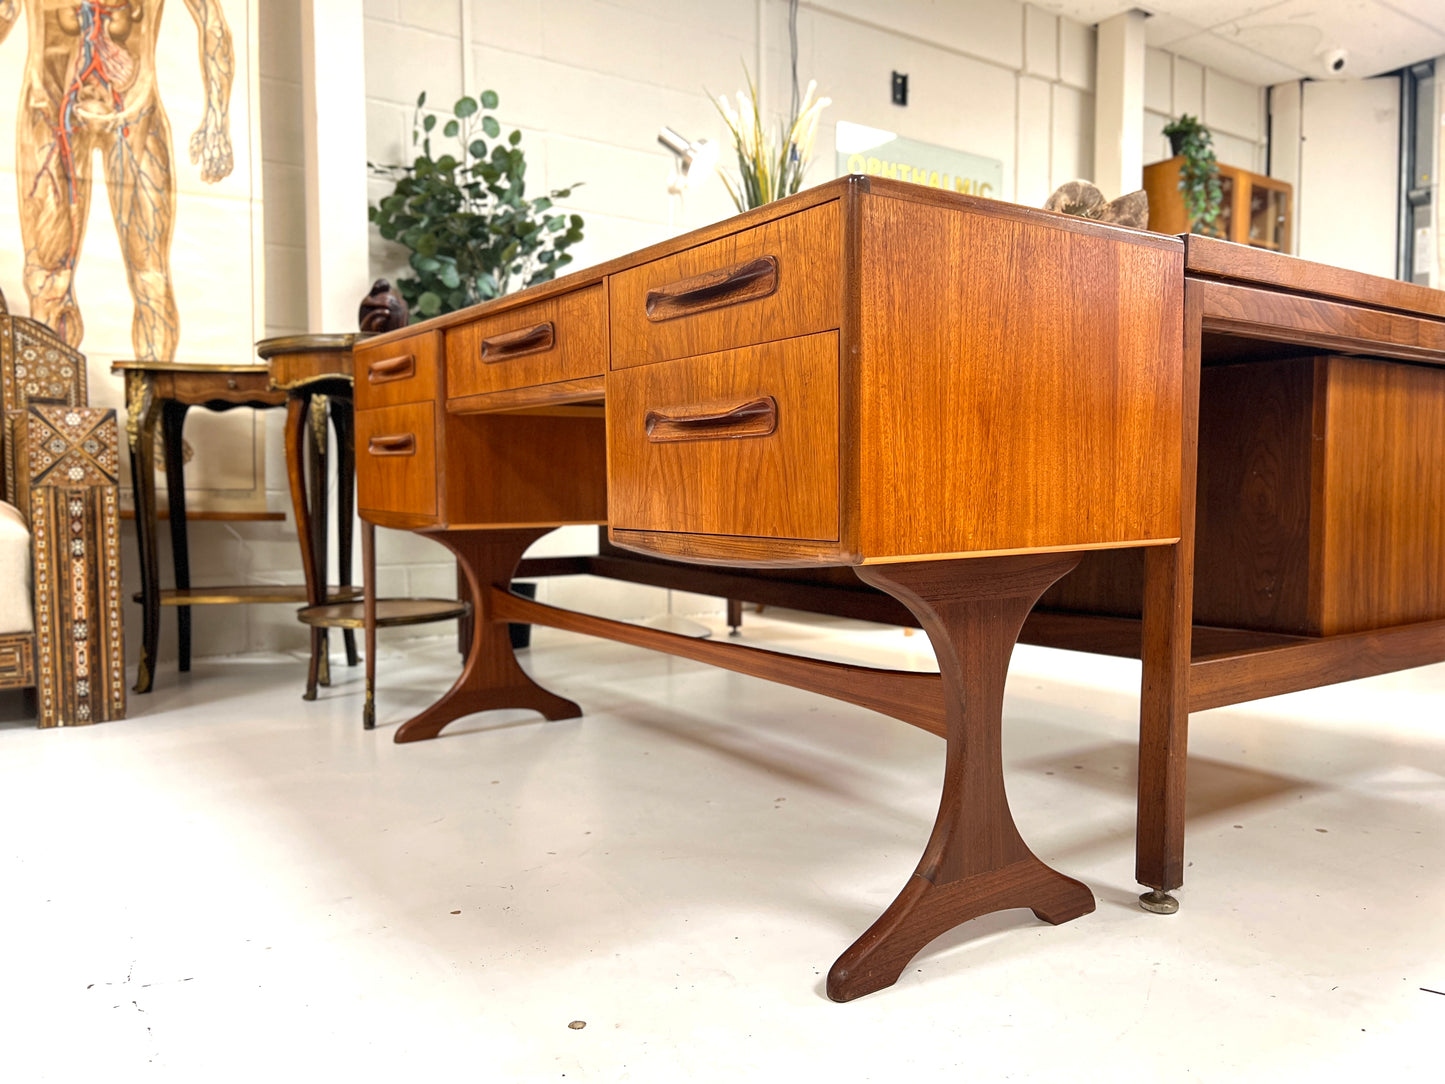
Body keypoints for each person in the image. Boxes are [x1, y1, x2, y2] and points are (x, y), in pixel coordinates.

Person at [0, 0, 234, 360]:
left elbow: (211, 18)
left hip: (134, 110)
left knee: (151, 279)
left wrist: (218, 116)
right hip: (50, 107)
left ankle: (154, 411)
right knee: (48, 282)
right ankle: (52, 410)